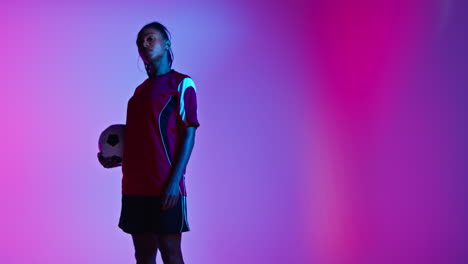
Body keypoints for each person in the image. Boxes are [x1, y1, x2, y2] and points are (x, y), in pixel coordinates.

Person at [97, 21, 200, 264]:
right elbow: (140, 137)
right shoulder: (139, 91)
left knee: (170, 252)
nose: (144, 44)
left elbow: (189, 135)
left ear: (167, 43)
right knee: (143, 255)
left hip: (165, 185)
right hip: (134, 185)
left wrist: (175, 182)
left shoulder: (181, 84)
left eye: (150, 38)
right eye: (140, 41)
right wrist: (116, 157)